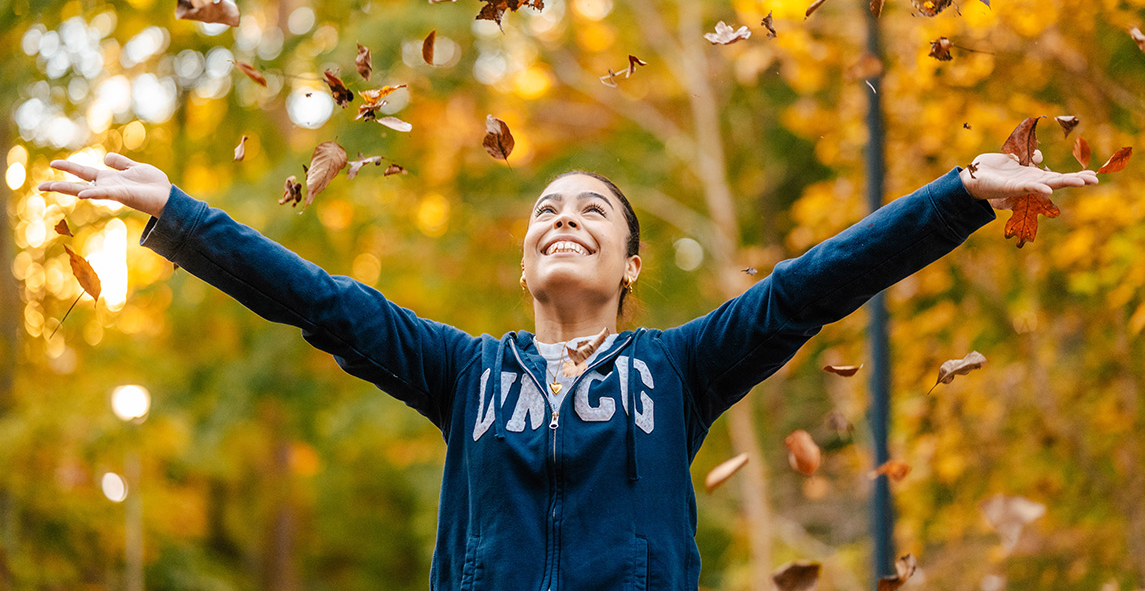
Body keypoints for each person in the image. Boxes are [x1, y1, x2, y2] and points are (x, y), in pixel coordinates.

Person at [40, 151, 1096, 589]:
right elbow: (319, 300)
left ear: (629, 263)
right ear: (524, 258)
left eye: (591, 208)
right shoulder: (462, 373)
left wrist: (958, 193)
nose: (563, 217)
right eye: (545, 208)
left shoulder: (675, 368)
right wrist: (175, 212)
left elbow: (807, 288)